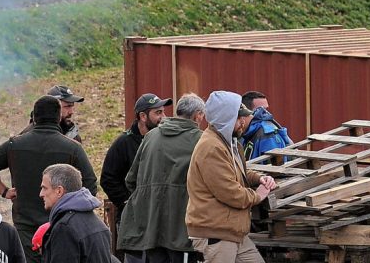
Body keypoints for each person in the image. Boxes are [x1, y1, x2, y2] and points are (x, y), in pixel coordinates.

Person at [0, 95, 98, 263]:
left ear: (34, 117)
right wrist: (73, 211)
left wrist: (4, 191)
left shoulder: (15, 145)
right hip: (62, 225)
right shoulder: (72, 148)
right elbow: (90, 183)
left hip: (26, 228)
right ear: (58, 117)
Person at [186, 91, 277, 263]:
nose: (243, 122)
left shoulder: (229, 142)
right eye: (238, 118)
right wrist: (258, 195)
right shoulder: (212, 148)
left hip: (232, 232)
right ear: (225, 119)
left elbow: (238, 172)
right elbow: (230, 192)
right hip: (215, 234)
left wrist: (259, 179)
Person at [117, 94, 206, 263]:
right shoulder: (201, 140)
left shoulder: (151, 136)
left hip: (150, 226)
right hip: (182, 230)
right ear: (198, 115)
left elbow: (131, 179)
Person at [100, 93, 172, 223]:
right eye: (158, 113)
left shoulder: (165, 140)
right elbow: (108, 179)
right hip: (133, 220)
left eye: (163, 112)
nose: (163, 117)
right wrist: (129, 203)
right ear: (143, 116)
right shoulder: (123, 143)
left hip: (160, 216)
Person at [38, 164, 119, 263]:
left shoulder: (65, 227)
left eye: (44, 188)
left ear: (59, 191)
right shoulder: (97, 222)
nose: (41, 194)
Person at [21, 85, 86, 142]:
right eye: (67, 106)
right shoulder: (30, 136)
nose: (71, 112)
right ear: (53, 107)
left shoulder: (73, 136)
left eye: (72, 106)